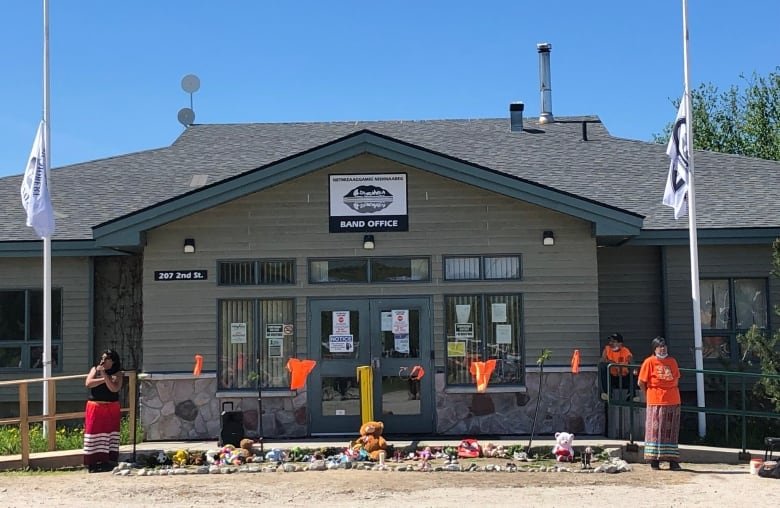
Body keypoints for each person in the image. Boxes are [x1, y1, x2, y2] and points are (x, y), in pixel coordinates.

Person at [637, 336, 682, 471]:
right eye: (659, 347)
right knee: (655, 431)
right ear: (654, 349)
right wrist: (649, 394)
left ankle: (672, 460)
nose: (662, 349)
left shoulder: (672, 361)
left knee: (671, 431)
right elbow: (641, 382)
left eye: (664, 346)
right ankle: (654, 460)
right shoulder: (649, 362)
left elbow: (676, 379)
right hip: (655, 400)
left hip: (672, 400)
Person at [83, 349, 123, 472]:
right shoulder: (95, 369)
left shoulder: (117, 373)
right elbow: (88, 383)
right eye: (102, 358)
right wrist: (104, 379)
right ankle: (92, 462)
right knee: (94, 434)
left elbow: (114, 388)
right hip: (96, 405)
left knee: (109, 434)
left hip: (111, 406)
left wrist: (106, 376)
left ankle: (108, 460)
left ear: (112, 361)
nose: (103, 361)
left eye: (106, 359)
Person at [599, 333, 634, 400]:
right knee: (603, 367)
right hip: (611, 378)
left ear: (620, 344)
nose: (611, 343)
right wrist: (611, 363)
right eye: (610, 341)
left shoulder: (625, 351)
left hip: (623, 377)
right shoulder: (607, 349)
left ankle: (631, 395)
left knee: (634, 371)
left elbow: (632, 361)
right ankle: (607, 394)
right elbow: (602, 361)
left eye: (613, 342)